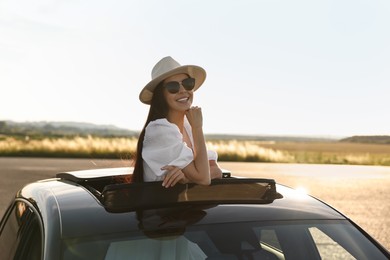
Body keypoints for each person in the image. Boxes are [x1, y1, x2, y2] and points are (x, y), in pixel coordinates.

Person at [133, 56, 222, 187]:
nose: (183, 90)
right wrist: (198, 127)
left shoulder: (187, 125)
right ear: (160, 95)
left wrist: (187, 177)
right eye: (173, 87)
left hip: (182, 205)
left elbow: (216, 171)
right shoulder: (160, 131)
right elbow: (204, 178)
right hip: (160, 205)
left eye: (188, 83)